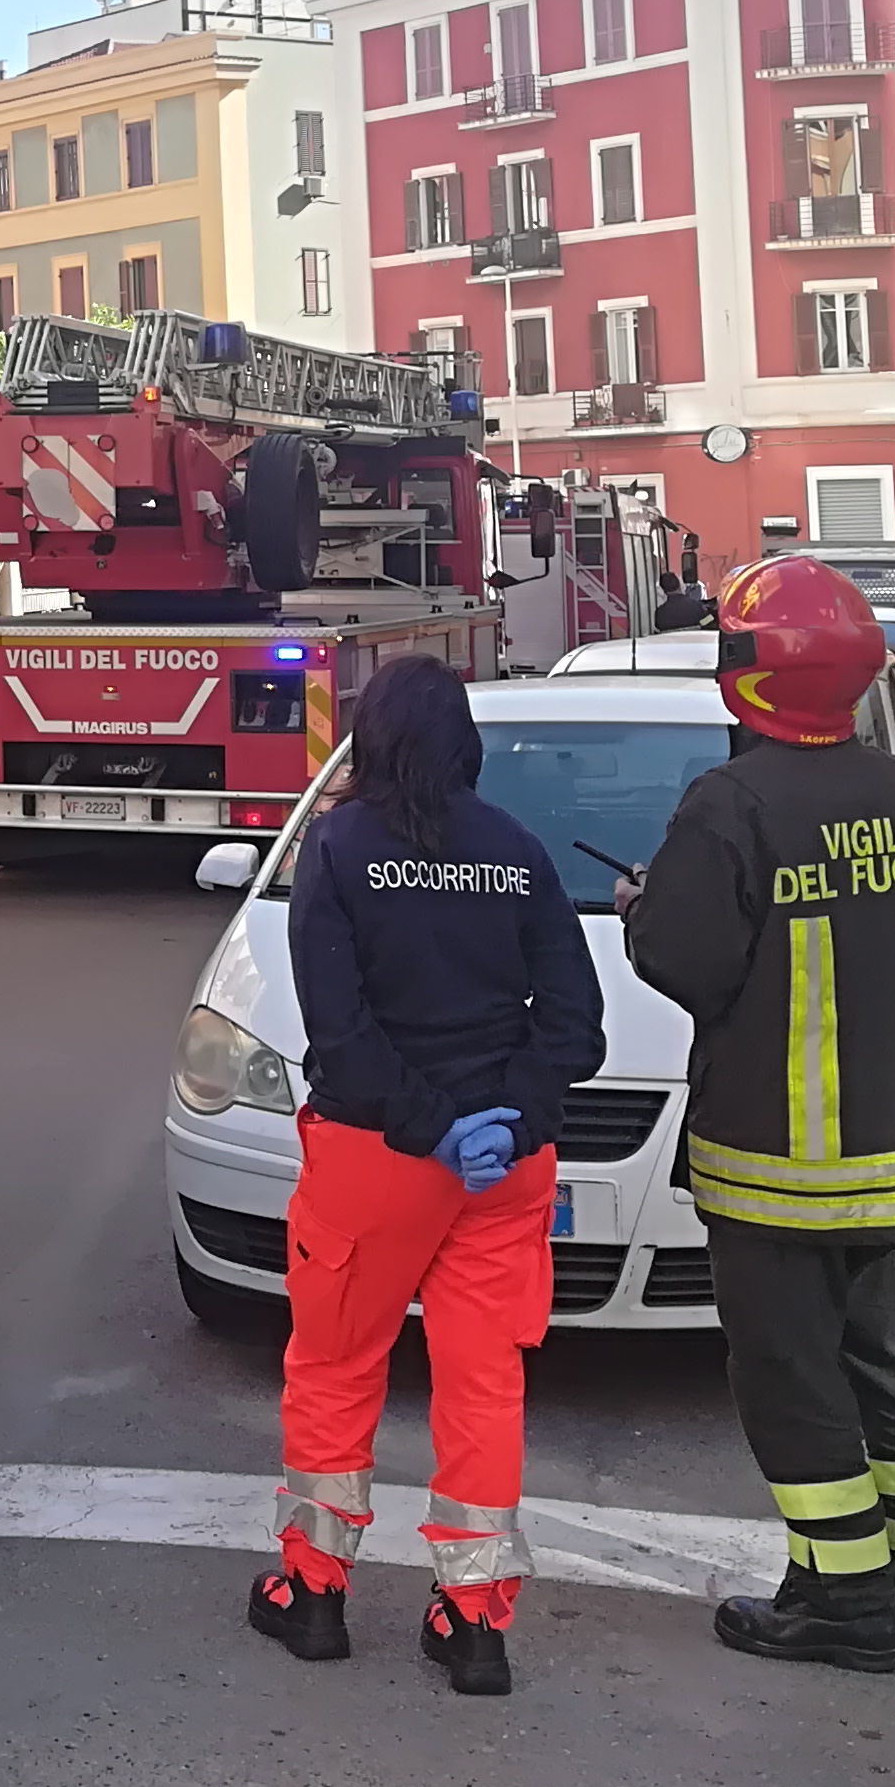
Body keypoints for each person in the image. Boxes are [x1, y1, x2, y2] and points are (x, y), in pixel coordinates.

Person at [624, 559, 895, 1675]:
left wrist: (643, 906)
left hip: (774, 1167)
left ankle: (844, 1604)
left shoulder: (729, 804)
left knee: (793, 1380)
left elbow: (681, 962)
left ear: (751, 679)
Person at [247, 658, 604, 1699]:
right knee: (482, 1381)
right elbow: (572, 1022)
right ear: (462, 745)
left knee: (336, 1364)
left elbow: (340, 1033)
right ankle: (473, 1618)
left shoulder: (340, 848)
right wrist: (506, 1121)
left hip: (375, 1158)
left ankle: (312, 1593)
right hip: (502, 1167)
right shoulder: (516, 851)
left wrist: (431, 1129)